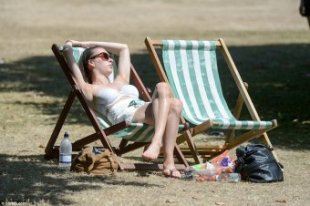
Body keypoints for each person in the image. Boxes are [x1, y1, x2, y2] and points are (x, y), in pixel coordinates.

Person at [63, 40, 183, 178]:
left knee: (173, 100)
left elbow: (124, 48)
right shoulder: (88, 89)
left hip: (147, 110)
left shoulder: (121, 80)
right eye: (104, 56)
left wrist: (87, 43)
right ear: (91, 63)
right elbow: (68, 53)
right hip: (127, 116)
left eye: (109, 56)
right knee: (168, 95)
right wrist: (70, 46)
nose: (109, 59)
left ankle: (162, 151)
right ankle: (164, 154)